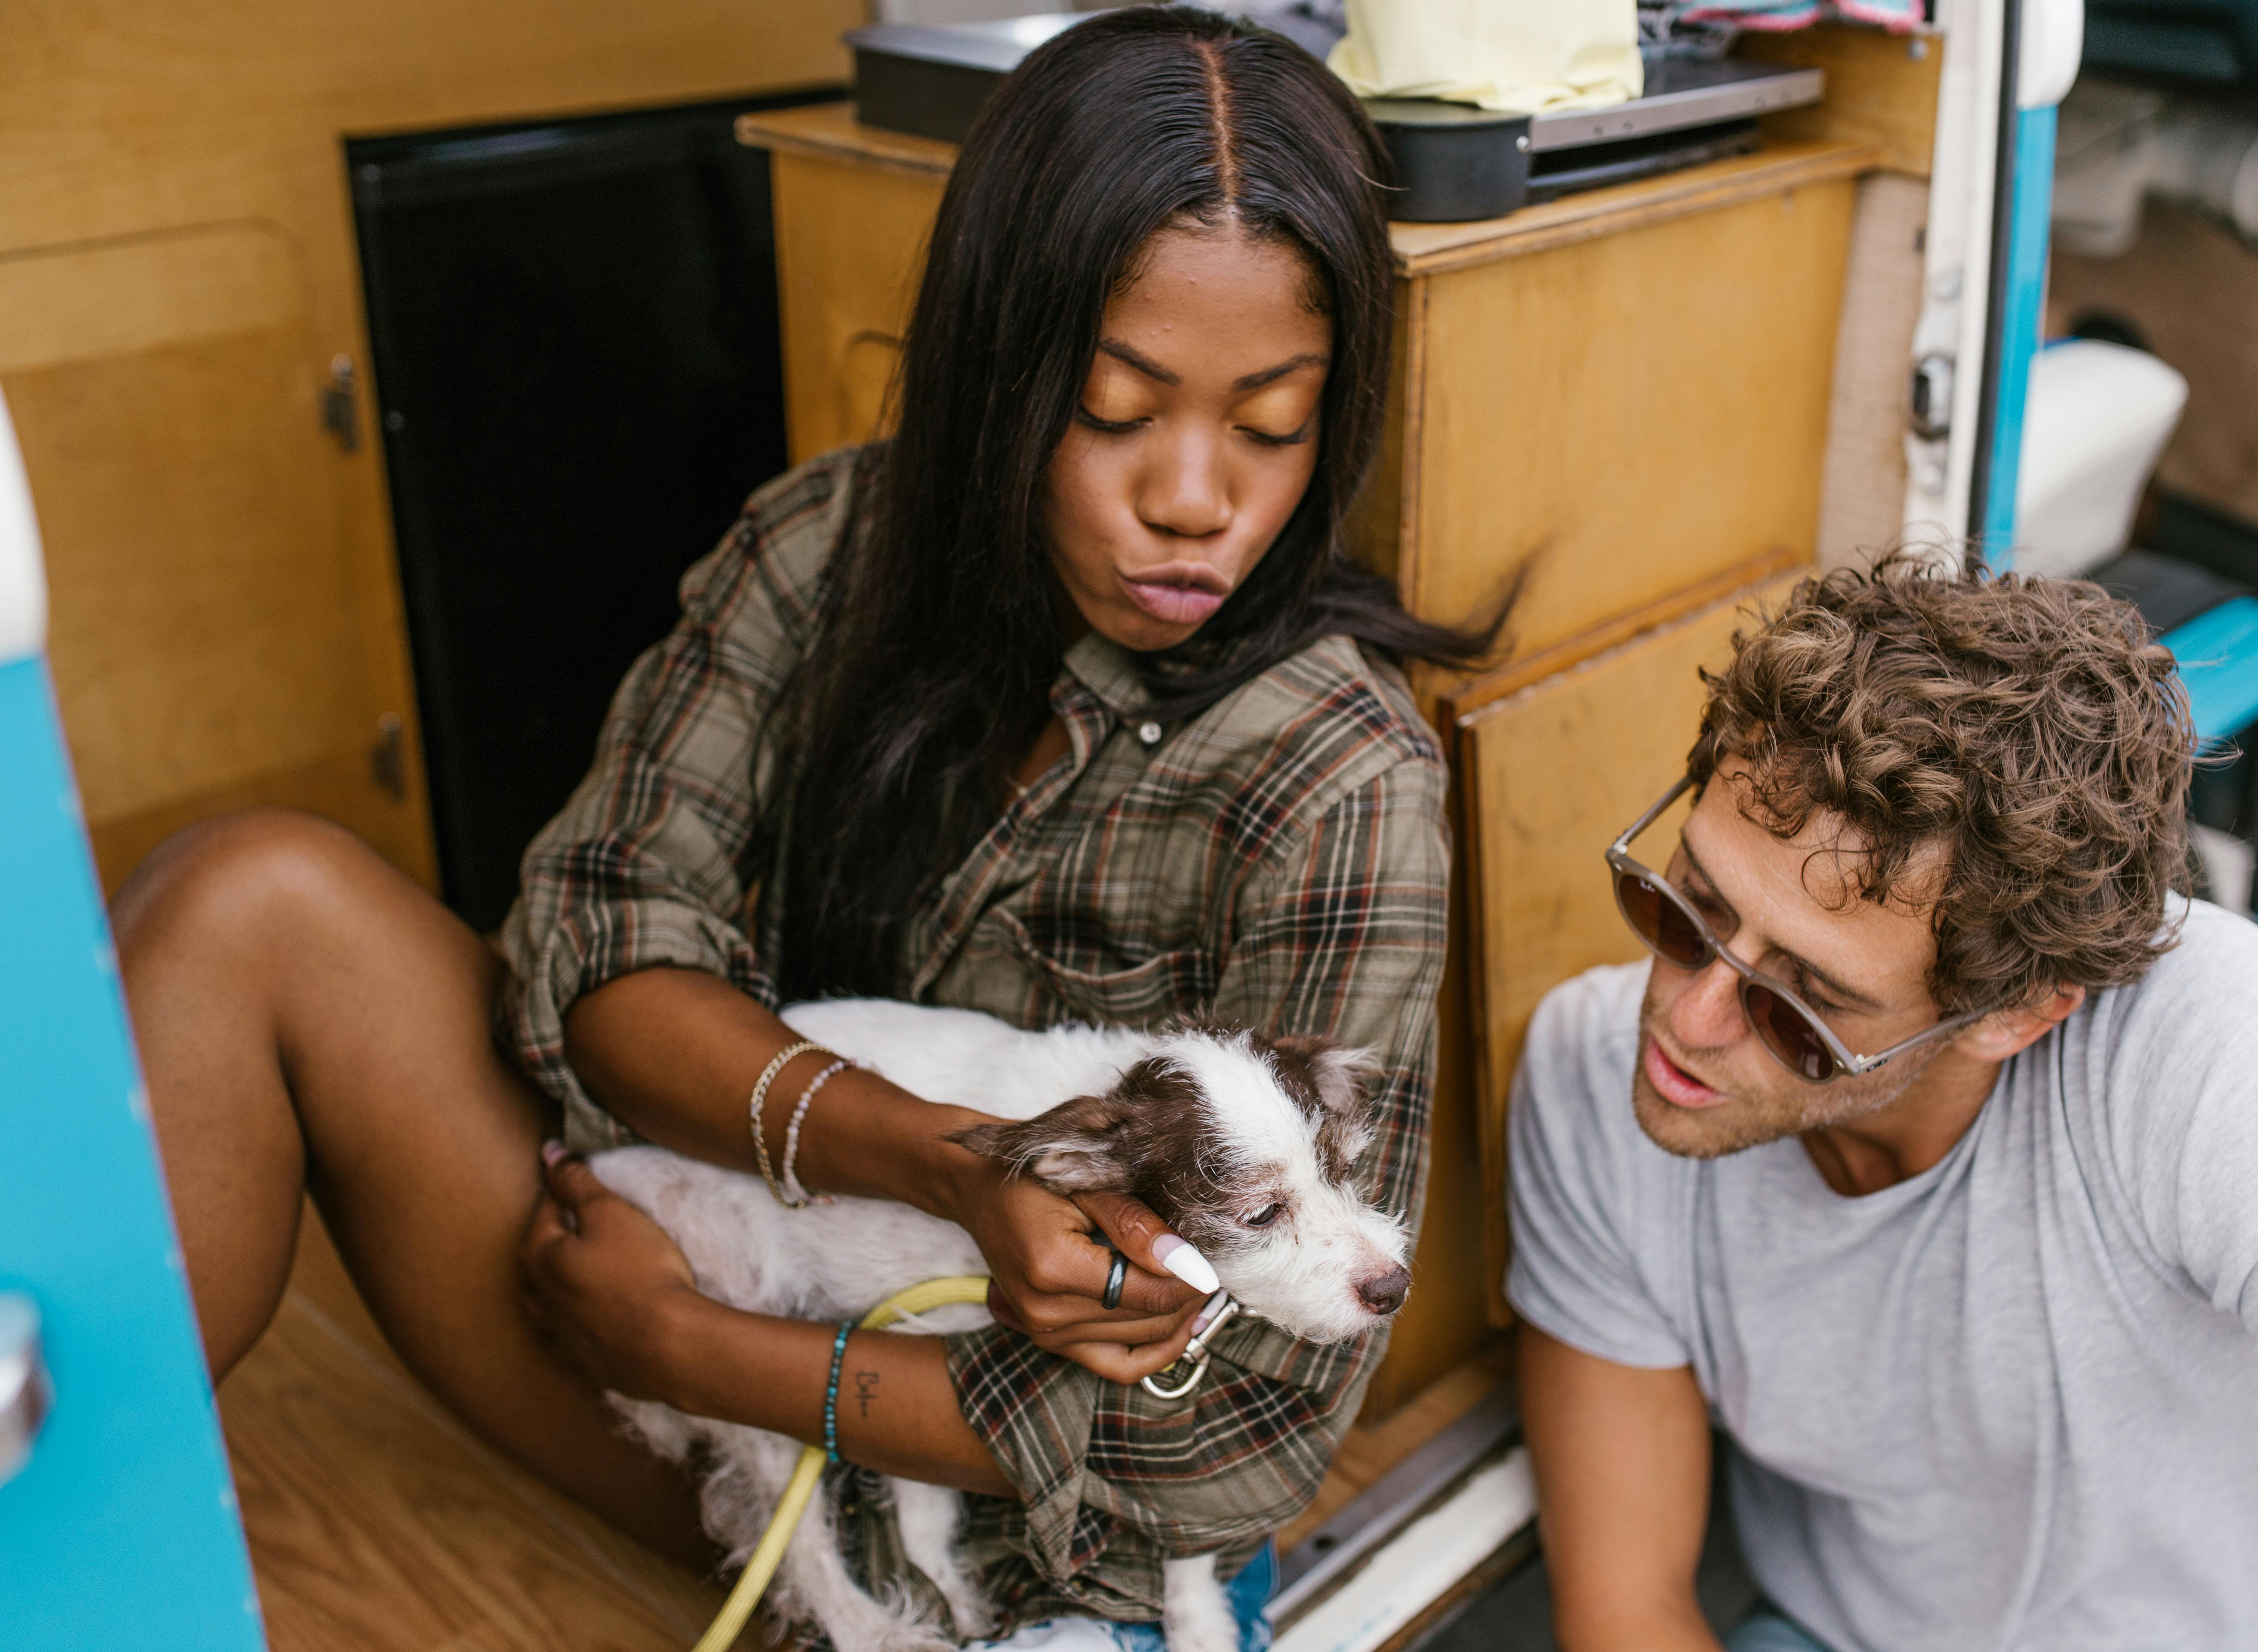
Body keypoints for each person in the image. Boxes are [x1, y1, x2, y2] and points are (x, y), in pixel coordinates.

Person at [112, 10, 1484, 1643]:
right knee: (244, 897)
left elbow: (1231, 1443)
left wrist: (694, 1351)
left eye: (1271, 425)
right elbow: (602, 931)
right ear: (996, 374)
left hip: (1018, 1520)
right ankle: (44, 1484)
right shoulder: (828, 544)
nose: (1195, 496)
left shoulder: (1347, 784)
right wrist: (942, 1163)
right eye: (1117, 410)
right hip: (688, 1280)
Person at [1507, 557, 2258, 1651]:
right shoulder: (1593, 1074)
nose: (1687, 1022)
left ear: (2011, 1016)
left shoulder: (2209, 1048)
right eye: (1683, 911)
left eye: (1805, 1006)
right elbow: (1628, 1612)